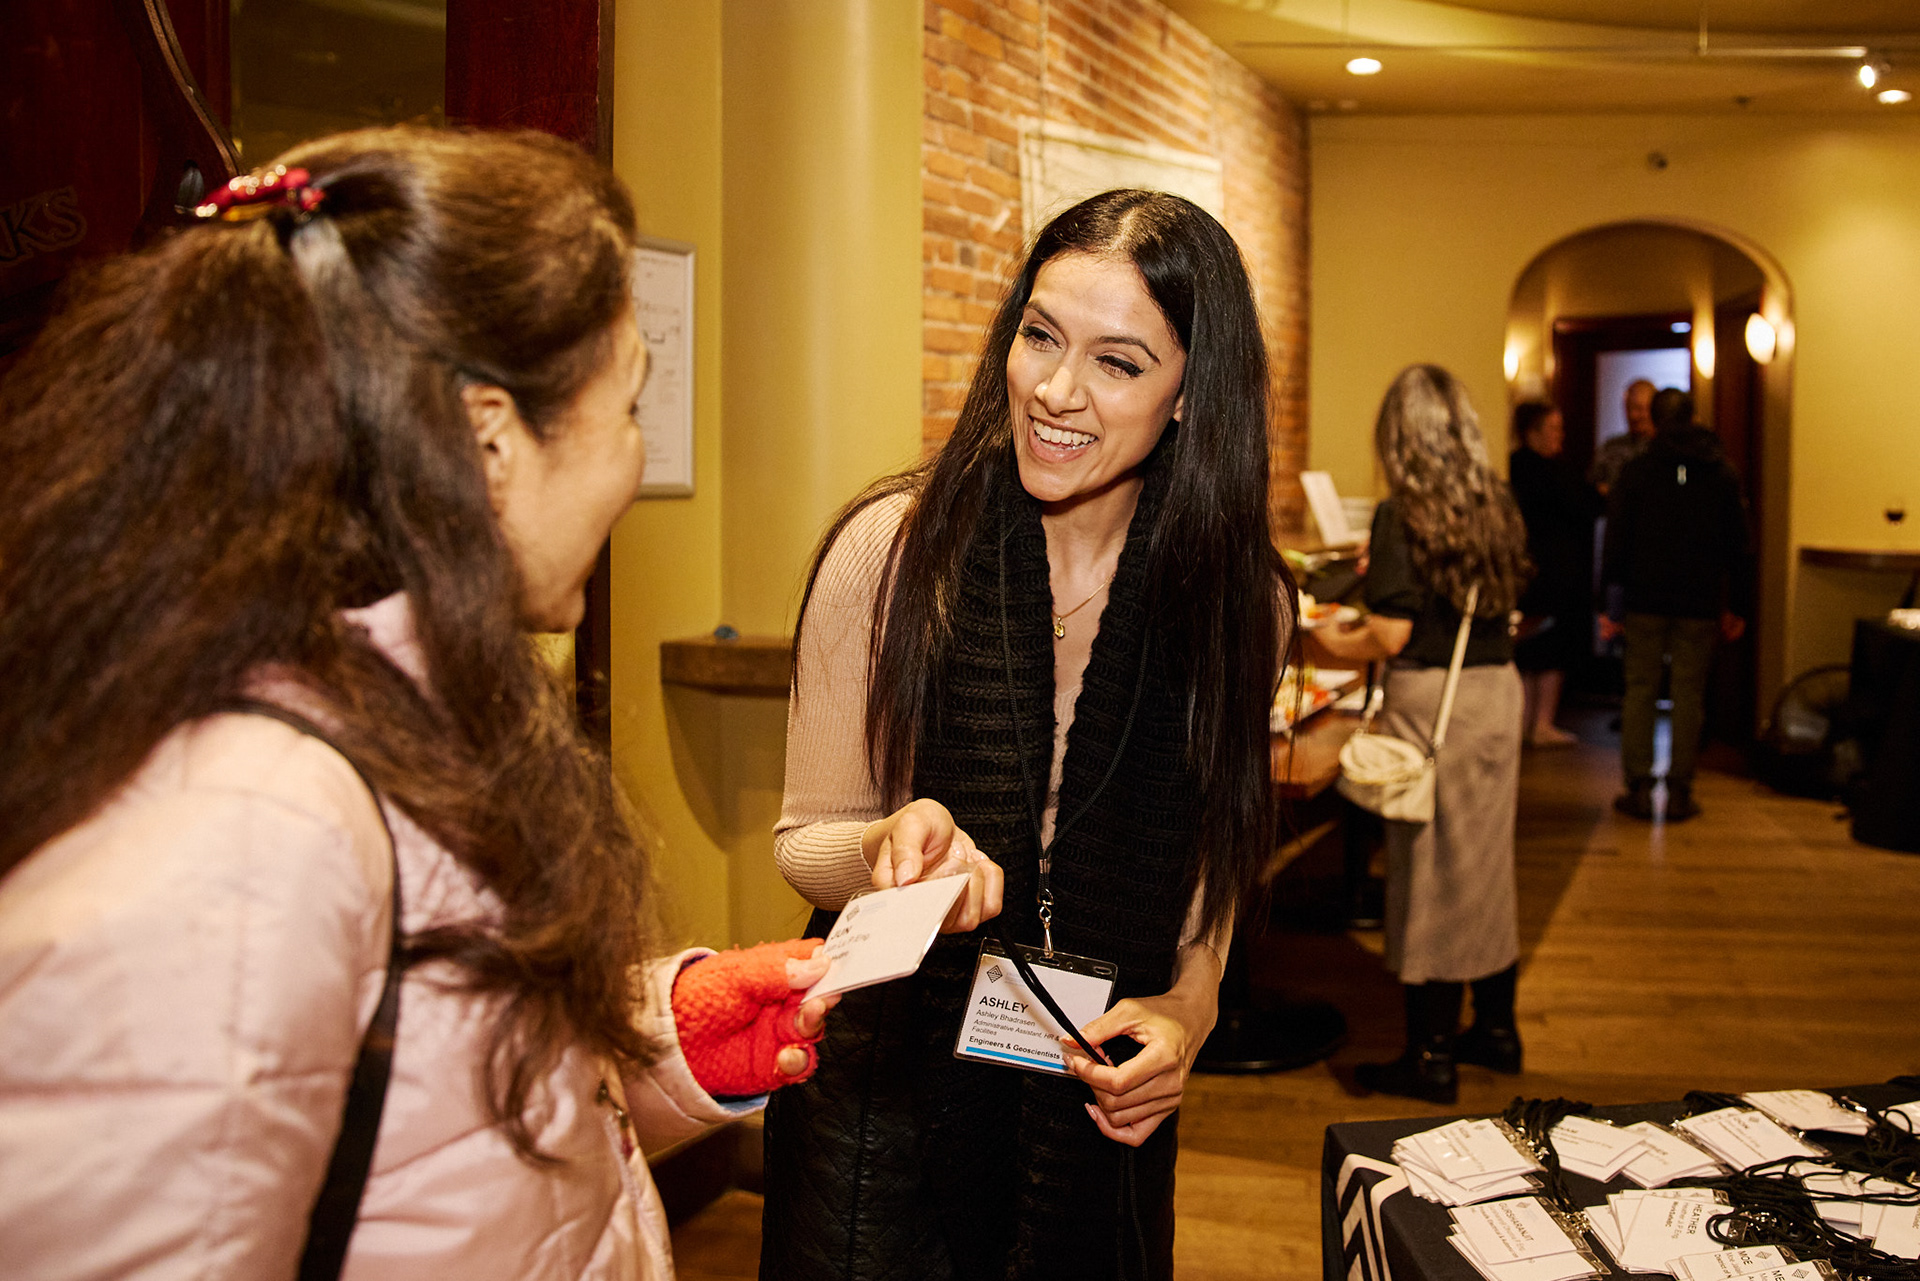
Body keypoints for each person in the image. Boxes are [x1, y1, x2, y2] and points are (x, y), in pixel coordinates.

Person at [0, 128, 838, 1281]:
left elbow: (416, 1120)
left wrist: (656, 1037)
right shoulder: (251, 827)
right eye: (630, 408)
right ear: (490, 442)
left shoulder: (404, 717)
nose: (636, 462)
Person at [763, 189, 1287, 1279]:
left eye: (1118, 362)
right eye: (1040, 336)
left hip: (1099, 1097)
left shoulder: (1237, 599)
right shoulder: (892, 551)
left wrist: (1190, 1003)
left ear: (1192, 395)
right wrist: (888, 846)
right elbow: (804, 841)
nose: (1055, 391)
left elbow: (1213, 853)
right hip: (888, 1099)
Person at [1309, 366, 1532, 1105]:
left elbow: (1392, 633)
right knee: (1485, 867)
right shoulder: (1494, 502)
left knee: (1431, 872)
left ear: (1399, 436)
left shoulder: (1403, 513)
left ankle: (1429, 1056)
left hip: (1436, 704)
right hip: (1495, 695)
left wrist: (1327, 638)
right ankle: (1496, 1030)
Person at [1600, 387, 1751, 822]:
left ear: (1654, 421)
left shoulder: (1637, 471)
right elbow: (1738, 545)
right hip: (1699, 599)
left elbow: (1617, 539)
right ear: (1694, 417)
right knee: (1688, 693)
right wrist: (1737, 604)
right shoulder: (1720, 472)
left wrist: (1609, 602)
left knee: (1640, 689)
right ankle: (1681, 789)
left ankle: (1638, 786)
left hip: (1644, 597)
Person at [1509, 401, 1603, 746]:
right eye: (1554, 429)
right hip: (1554, 574)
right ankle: (1541, 724)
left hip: (1526, 572)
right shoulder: (1555, 473)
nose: (1560, 436)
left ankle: (1524, 725)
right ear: (1532, 432)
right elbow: (1589, 506)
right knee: (1549, 648)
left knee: (1529, 650)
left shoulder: (1511, 467)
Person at [1589, 377, 1657, 495]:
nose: (1633, 415)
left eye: (1639, 408)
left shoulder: (1664, 449)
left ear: (1654, 409)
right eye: (1629, 408)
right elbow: (1592, 486)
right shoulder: (1610, 448)